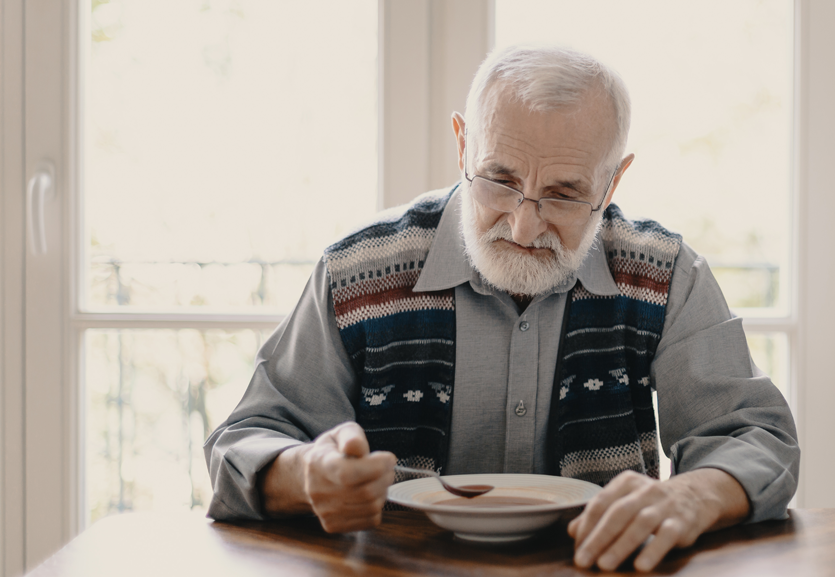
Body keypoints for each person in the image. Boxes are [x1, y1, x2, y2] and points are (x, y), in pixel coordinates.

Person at [205, 45, 799, 572]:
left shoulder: (666, 274)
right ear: (464, 145)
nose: (522, 224)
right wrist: (307, 477)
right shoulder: (357, 269)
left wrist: (692, 495)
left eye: (564, 194)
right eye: (499, 180)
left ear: (612, 182)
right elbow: (246, 440)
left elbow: (756, 435)